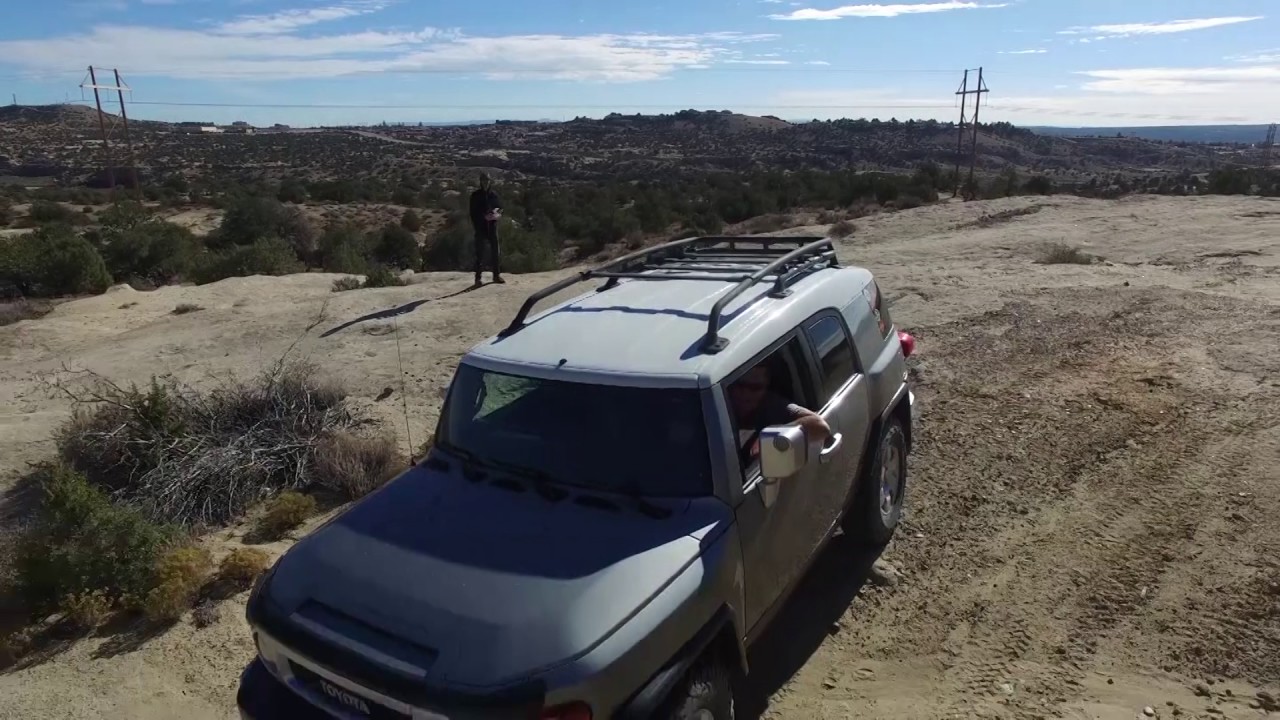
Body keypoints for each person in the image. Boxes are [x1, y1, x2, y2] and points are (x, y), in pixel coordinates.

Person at [728, 363, 831, 466]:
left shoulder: (772, 405)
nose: (746, 393)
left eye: (755, 388)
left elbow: (820, 425)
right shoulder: (719, 404)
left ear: (765, 388)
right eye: (741, 386)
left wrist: (771, 439)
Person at [468, 173, 504, 285]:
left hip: (492, 226)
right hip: (481, 227)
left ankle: (496, 276)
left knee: (495, 252)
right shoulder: (475, 195)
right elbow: (472, 212)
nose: (486, 182)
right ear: (480, 181)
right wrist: (483, 217)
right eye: (484, 180)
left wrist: (497, 214)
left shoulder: (494, 195)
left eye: (487, 180)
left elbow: (500, 207)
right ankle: (478, 278)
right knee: (480, 253)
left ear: (490, 181)